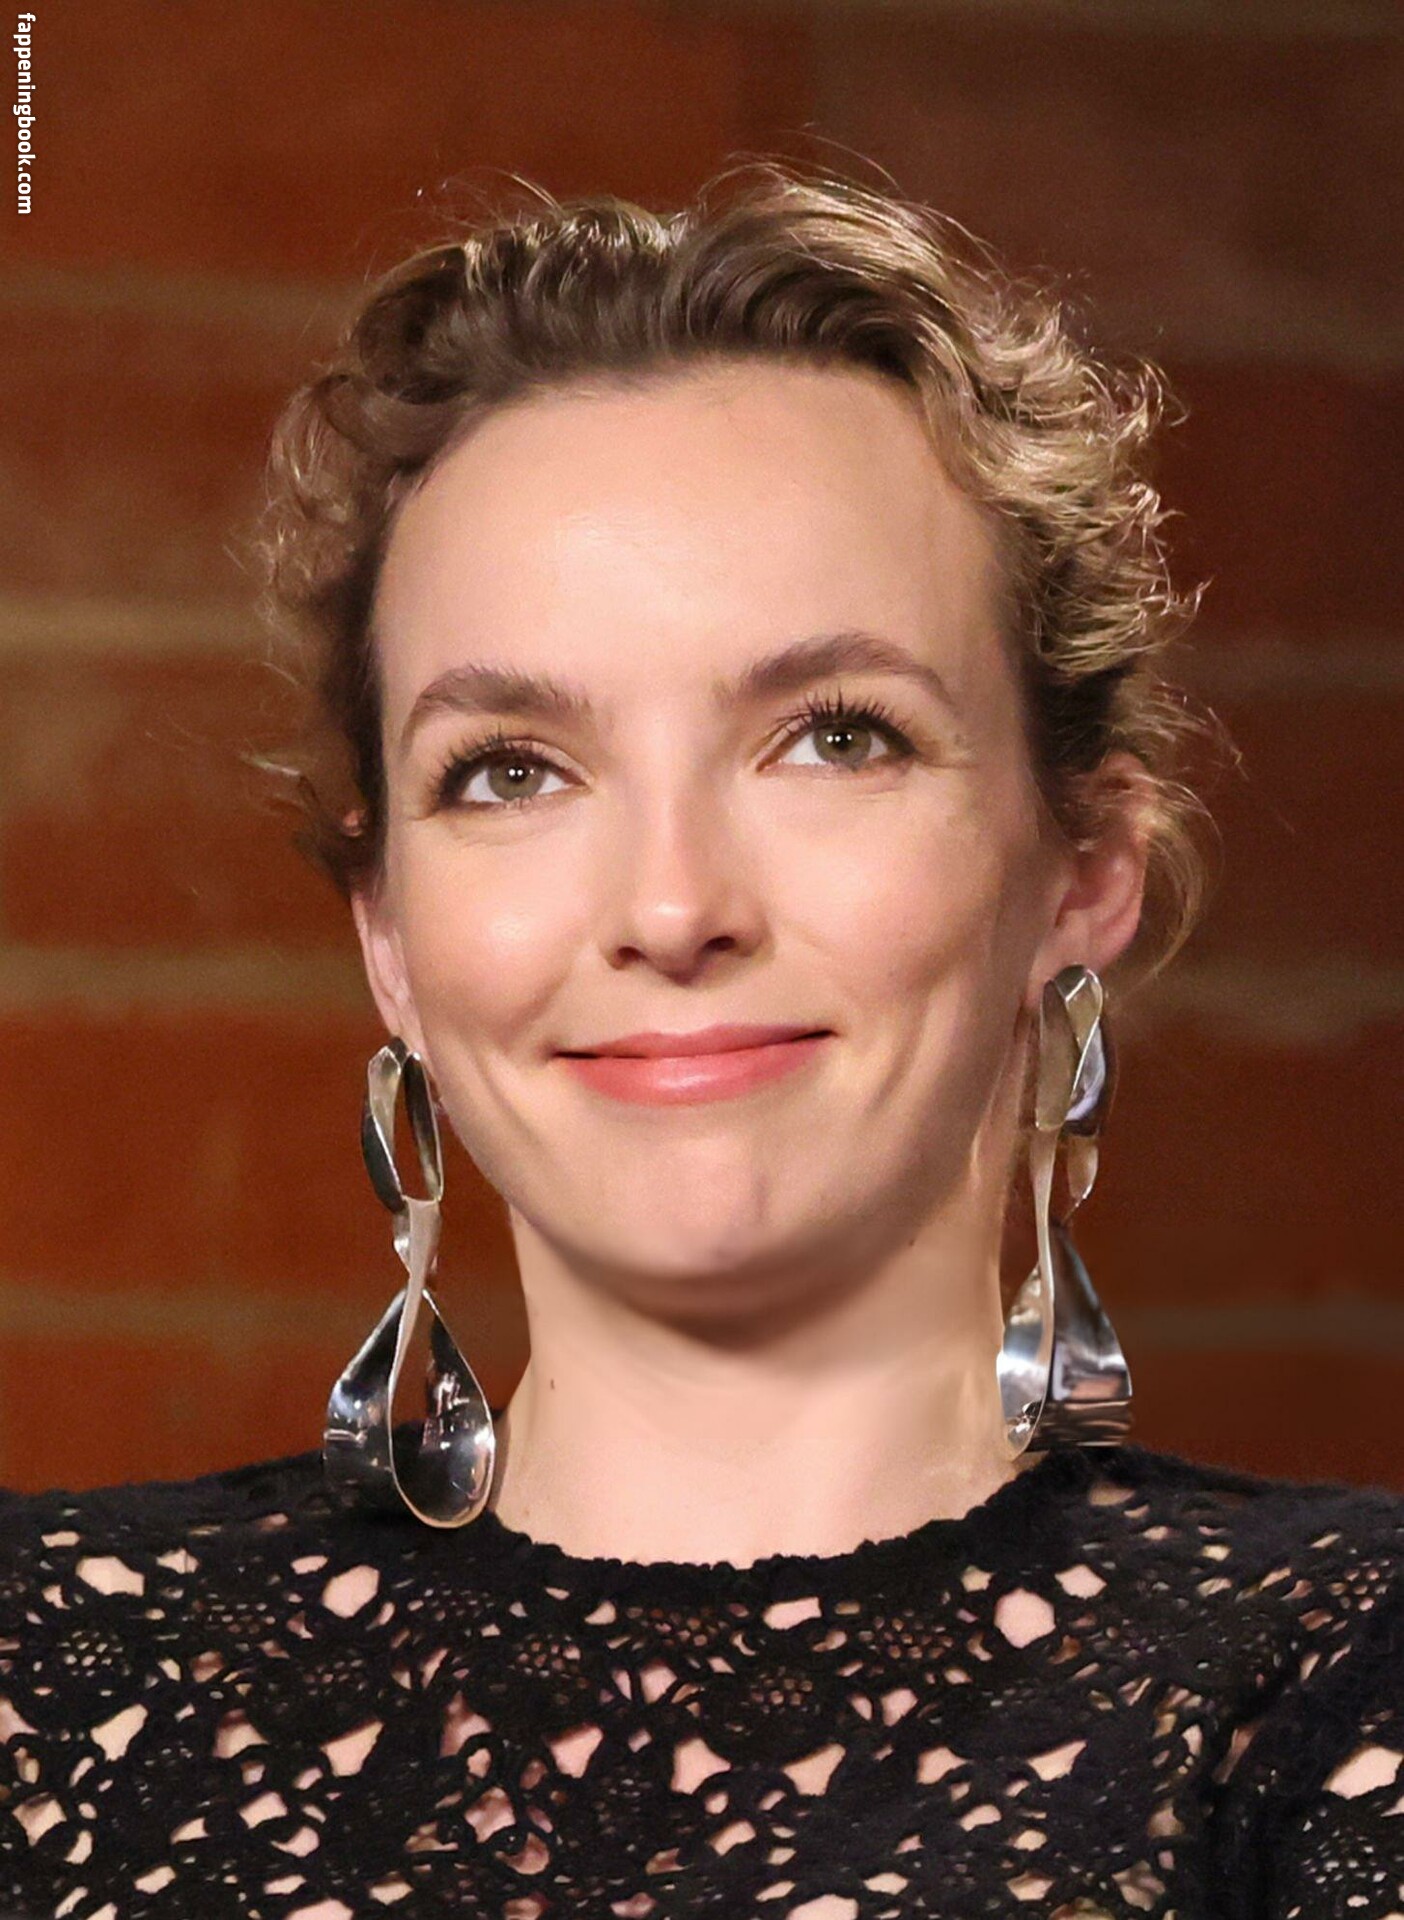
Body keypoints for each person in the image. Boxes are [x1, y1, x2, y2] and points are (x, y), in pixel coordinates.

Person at [1, 159, 1400, 1920]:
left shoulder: (1331, 1692)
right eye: (511, 770)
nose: (670, 908)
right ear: (389, 938)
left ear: (1084, 868)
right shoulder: (44, 1686)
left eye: (835, 736)